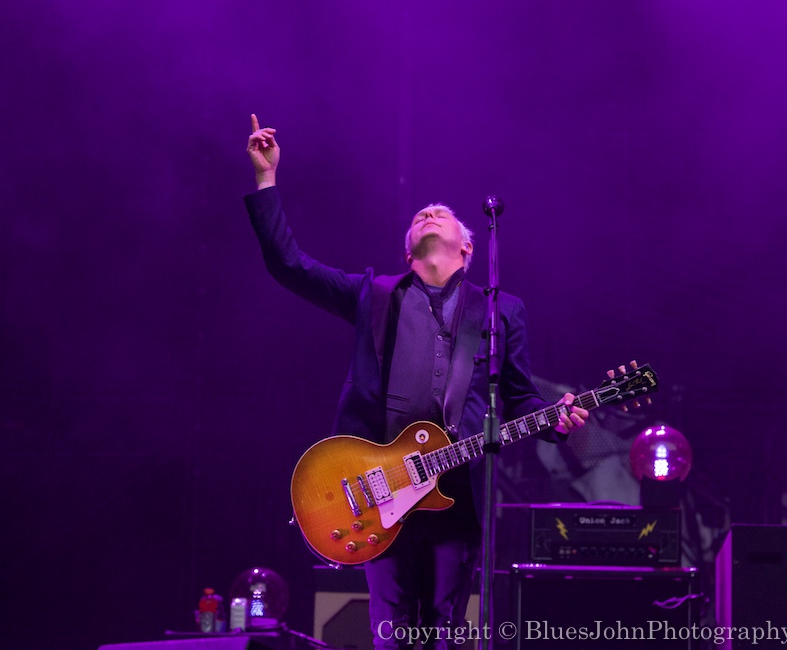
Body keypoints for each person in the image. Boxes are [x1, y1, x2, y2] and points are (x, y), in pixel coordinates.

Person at [244, 114, 589, 650]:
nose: (429, 211)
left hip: (456, 493)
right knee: (392, 629)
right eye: (420, 215)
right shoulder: (374, 296)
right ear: (409, 253)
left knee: (444, 633)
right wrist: (267, 181)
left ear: (467, 249)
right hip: (377, 492)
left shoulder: (501, 312)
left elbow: (518, 399)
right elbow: (289, 265)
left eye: (442, 214)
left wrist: (558, 418)